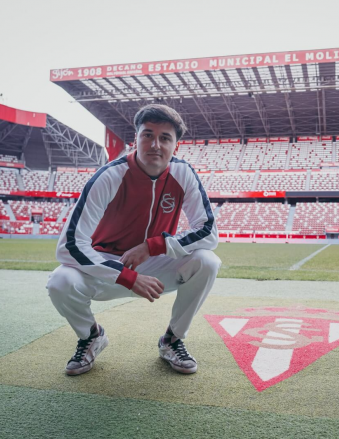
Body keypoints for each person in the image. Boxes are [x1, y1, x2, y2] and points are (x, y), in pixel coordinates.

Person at [46, 104, 220, 376]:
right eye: (147, 135)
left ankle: (172, 340)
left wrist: (155, 246)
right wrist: (126, 276)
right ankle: (91, 335)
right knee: (60, 281)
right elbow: (69, 246)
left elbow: (208, 231)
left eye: (165, 138)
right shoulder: (109, 176)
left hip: (155, 264)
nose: (155, 144)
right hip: (105, 267)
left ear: (175, 145)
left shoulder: (183, 173)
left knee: (207, 261)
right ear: (135, 139)